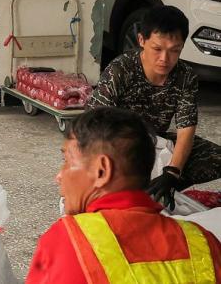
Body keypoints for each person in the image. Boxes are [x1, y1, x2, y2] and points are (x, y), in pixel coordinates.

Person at [26, 107, 221, 284]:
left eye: (67, 161)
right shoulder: (203, 242)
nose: (59, 176)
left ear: (101, 171)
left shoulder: (69, 243)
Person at [88, 5, 221, 209]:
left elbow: (186, 128)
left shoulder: (186, 76)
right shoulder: (120, 70)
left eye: (174, 51)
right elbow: (95, 125)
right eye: (157, 49)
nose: (164, 59)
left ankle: (161, 187)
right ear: (142, 40)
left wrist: (172, 171)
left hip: (156, 141)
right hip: (117, 145)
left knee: (215, 157)